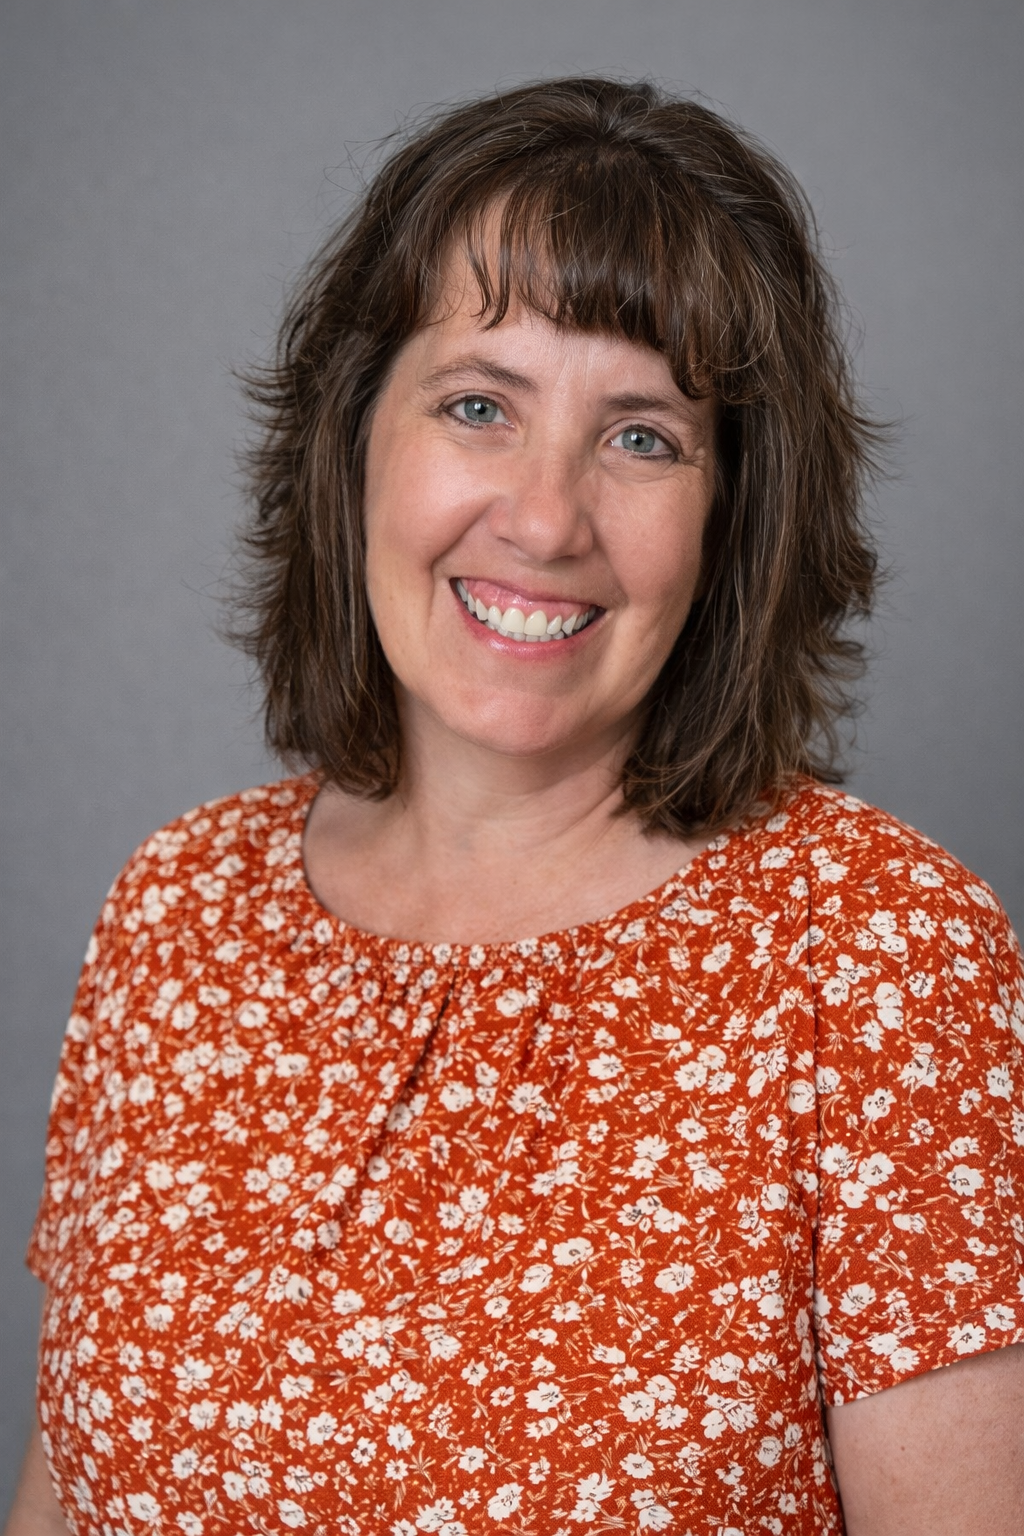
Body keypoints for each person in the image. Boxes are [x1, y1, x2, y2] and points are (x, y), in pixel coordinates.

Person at [7, 76, 1022, 1536]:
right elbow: (68, 1489)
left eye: (643, 436)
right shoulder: (175, 914)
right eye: (479, 405)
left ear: (735, 513)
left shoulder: (877, 959)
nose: (545, 518)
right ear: (357, 440)